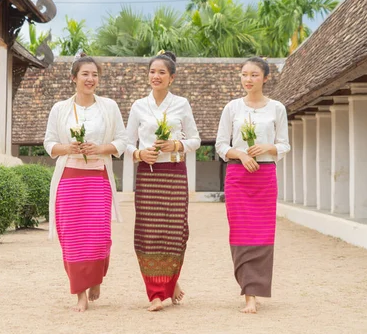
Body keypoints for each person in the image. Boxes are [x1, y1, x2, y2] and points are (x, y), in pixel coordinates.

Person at [44, 54, 127, 312]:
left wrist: (101, 148)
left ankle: (96, 278)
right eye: (85, 74)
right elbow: (49, 144)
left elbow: (122, 141)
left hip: (98, 178)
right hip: (69, 179)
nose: (90, 79)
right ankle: (79, 292)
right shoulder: (60, 109)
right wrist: (68, 147)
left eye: (94, 75)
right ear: (74, 78)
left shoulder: (109, 107)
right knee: (72, 237)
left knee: (100, 236)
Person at [126, 50, 201, 312]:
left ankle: (171, 282)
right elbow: (125, 141)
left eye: (161, 72)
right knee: (148, 233)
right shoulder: (138, 106)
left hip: (174, 174)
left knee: (176, 232)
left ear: (171, 78)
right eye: (152, 71)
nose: (155, 76)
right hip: (149, 175)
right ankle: (156, 293)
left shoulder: (181, 104)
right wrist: (138, 153)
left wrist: (176, 144)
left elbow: (196, 140)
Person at [215, 57, 290, 314]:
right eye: (244, 74)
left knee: (262, 233)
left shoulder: (277, 108)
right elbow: (221, 145)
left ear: (265, 78)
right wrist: (242, 154)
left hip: (265, 175)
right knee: (240, 232)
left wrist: (268, 148)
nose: (248, 79)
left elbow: (284, 144)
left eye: (254, 75)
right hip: (238, 176)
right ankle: (248, 292)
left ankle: (255, 291)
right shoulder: (232, 108)